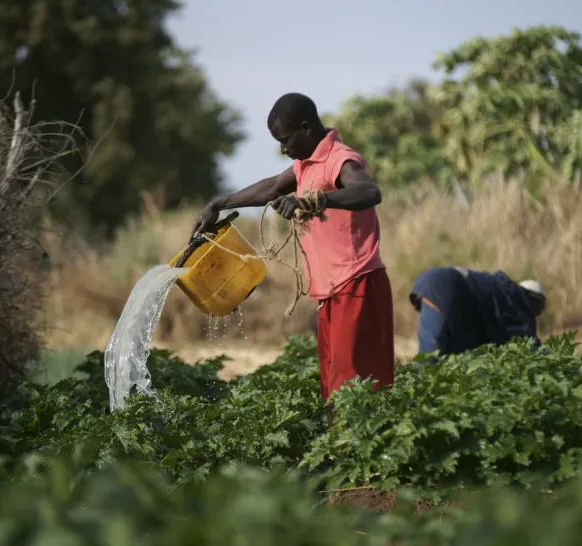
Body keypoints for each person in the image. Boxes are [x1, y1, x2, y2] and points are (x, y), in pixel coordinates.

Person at [190, 92, 394, 423]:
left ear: (306, 128)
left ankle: (363, 465)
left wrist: (317, 201)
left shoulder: (340, 159)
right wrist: (220, 203)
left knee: (356, 385)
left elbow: (370, 192)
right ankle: (341, 459)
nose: (284, 149)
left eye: (286, 140)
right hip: (330, 290)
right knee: (333, 385)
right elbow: (270, 189)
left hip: (358, 282)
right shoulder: (305, 165)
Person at [409, 266, 546, 358]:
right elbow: (526, 343)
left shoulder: (497, 291)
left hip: (431, 284)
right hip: (444, 290)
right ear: (532, 300)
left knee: (448, 357)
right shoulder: (517, 300)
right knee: (430, 364)